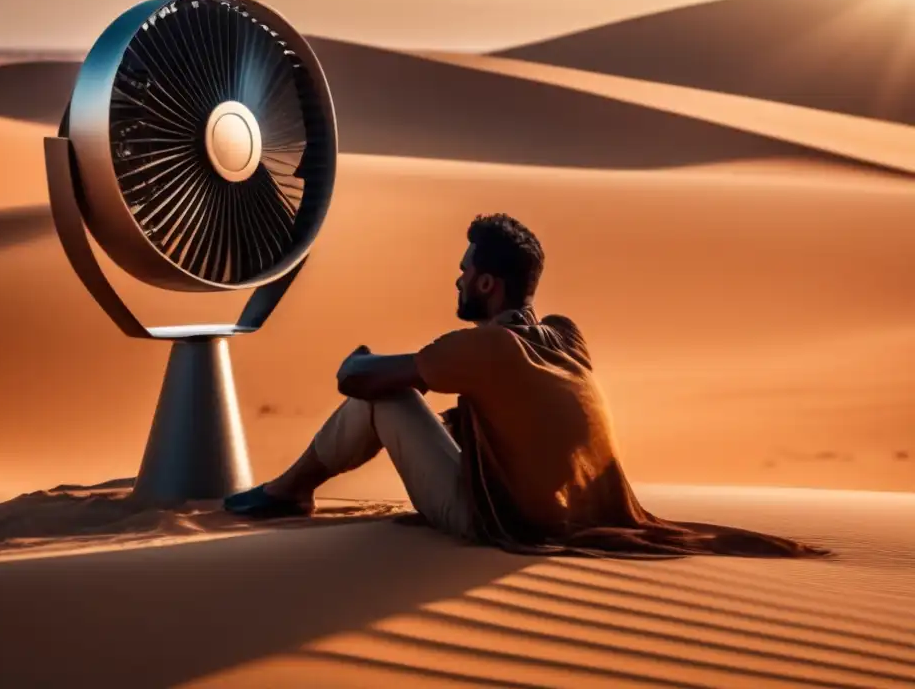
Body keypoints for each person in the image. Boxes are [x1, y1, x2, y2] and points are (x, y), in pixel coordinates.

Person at [224, 213, 829, 559]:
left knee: (384, 398)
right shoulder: (565, 337)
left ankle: (287, 492)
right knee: (434, 408)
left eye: (464, 271)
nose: (455, 279)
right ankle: (287, 489)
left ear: (487, 284)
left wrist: (364, 360)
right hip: (561, 508)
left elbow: (353, 379)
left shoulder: (487, 348)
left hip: (496, 522)